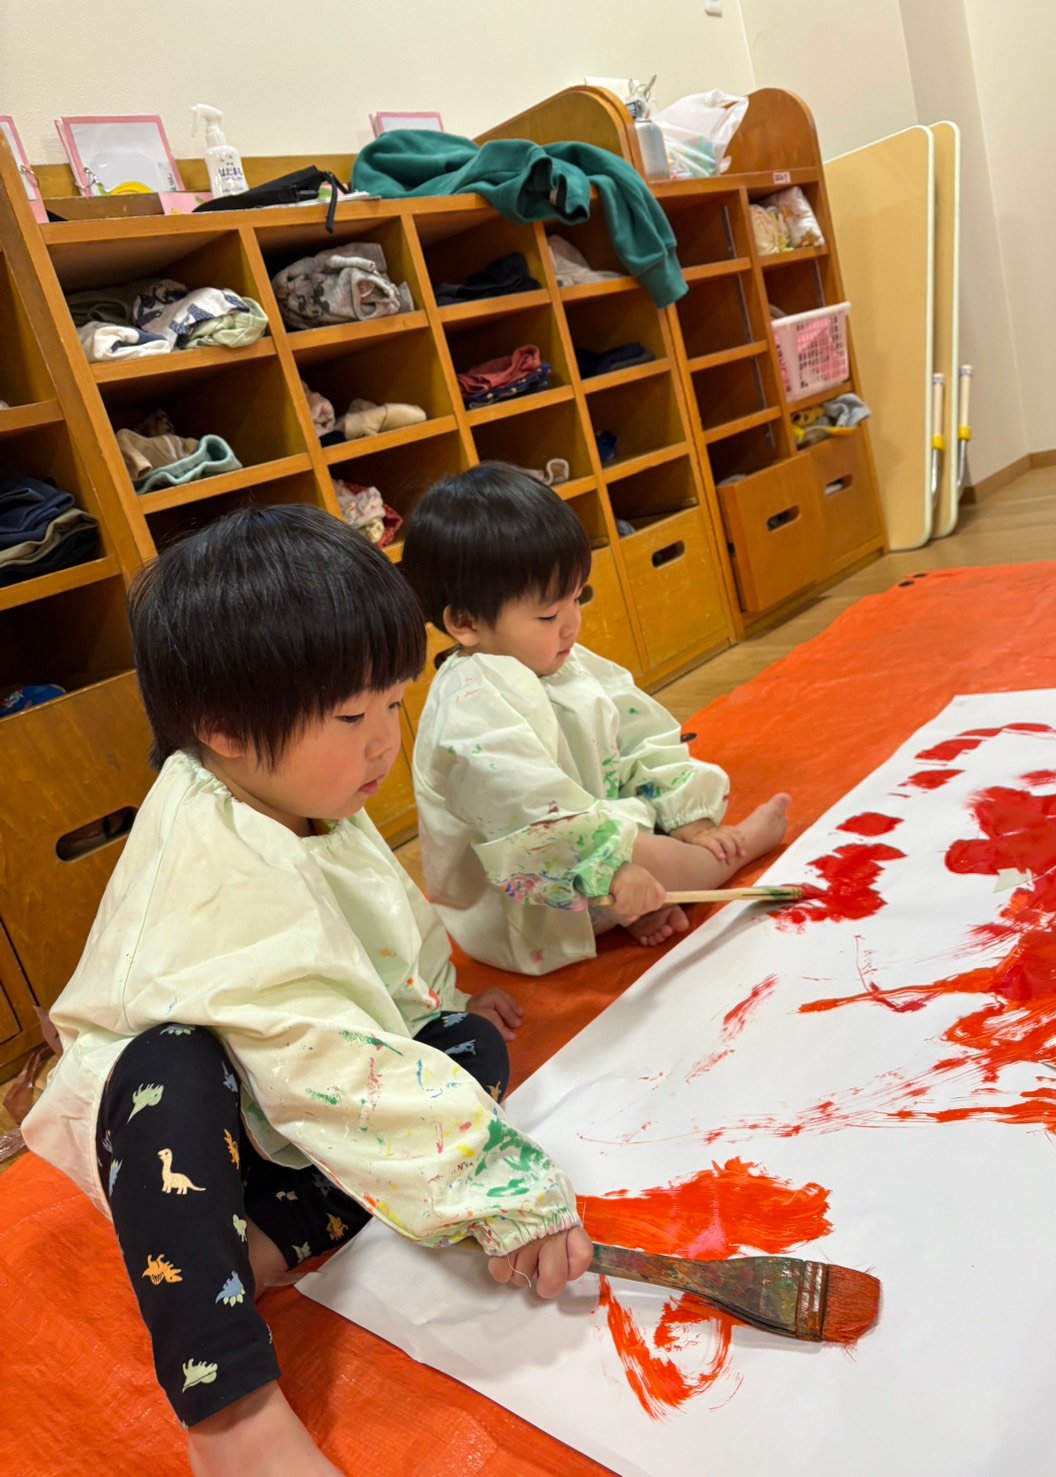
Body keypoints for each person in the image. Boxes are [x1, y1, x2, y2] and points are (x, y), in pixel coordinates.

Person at [21, 506, 592, 1477]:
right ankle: (231, 1415)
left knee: (468, 1046)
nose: (384, 745)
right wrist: (500, 1188)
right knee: (170, 1070)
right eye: (352, 719)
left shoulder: (299, 789)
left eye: (394, 706)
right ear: (225, 728)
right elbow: (319, 1054)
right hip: (182, 1136)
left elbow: (379, 931)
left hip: (288, 1097)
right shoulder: (216, 856)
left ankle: (256, 1249)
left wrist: (432, 1008)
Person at [403, 464, 790, 976]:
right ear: (465, 622)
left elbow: (638, 734)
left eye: (577, 597)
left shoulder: (562, 660)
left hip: (591, 838)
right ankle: (731, 857)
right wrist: (611, 869)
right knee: (648, 856)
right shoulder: (469, 710)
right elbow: (528, 815)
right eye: (548, 614)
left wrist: (688, 817)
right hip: (529, 902)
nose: (572, 623)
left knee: (648, 832)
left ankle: (642, 895)